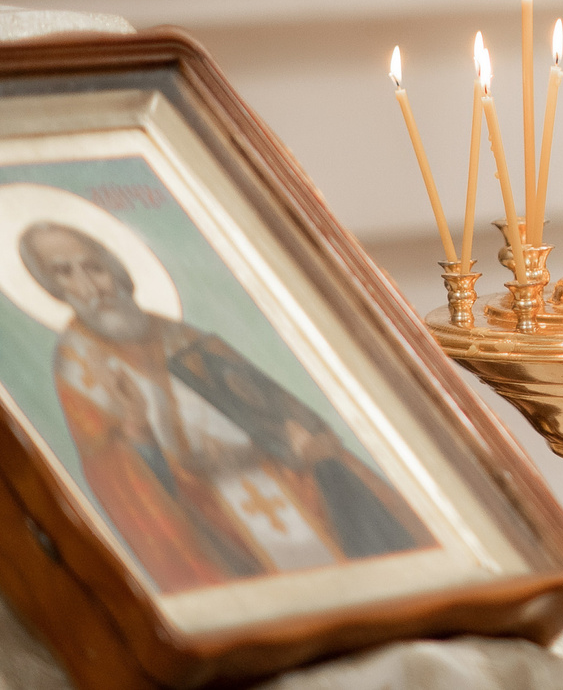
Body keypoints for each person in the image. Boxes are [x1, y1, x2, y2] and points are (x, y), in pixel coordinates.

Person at [24, 220, 424, 590]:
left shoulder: (181, 336)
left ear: (114, 269)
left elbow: (281, 414)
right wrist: (137, 429)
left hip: (284, 484)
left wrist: (297, 439)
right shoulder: (78, 365)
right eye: (65, 272)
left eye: (92, 267)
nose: (91, 287)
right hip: (205, 517)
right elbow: (115, 474)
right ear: (50, 286)